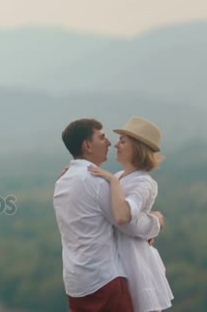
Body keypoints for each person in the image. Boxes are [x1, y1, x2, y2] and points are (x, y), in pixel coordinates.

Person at [53, 118, 165, 312]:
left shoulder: (63, 180)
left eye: (122, 141)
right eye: (102, 137)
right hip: (104, 278)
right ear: (87, 145)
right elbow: (124, 222)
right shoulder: (99, 182)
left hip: (76, 281)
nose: (110, 143)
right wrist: (156, 221)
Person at [88, 116, 173, 311]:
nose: (116, 145)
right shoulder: (118, 176)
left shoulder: (143, 182)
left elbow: (124, 216)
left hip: (134, 261)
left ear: (137, 147)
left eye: (123, 141)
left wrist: (153, 223)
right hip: (114, 259)